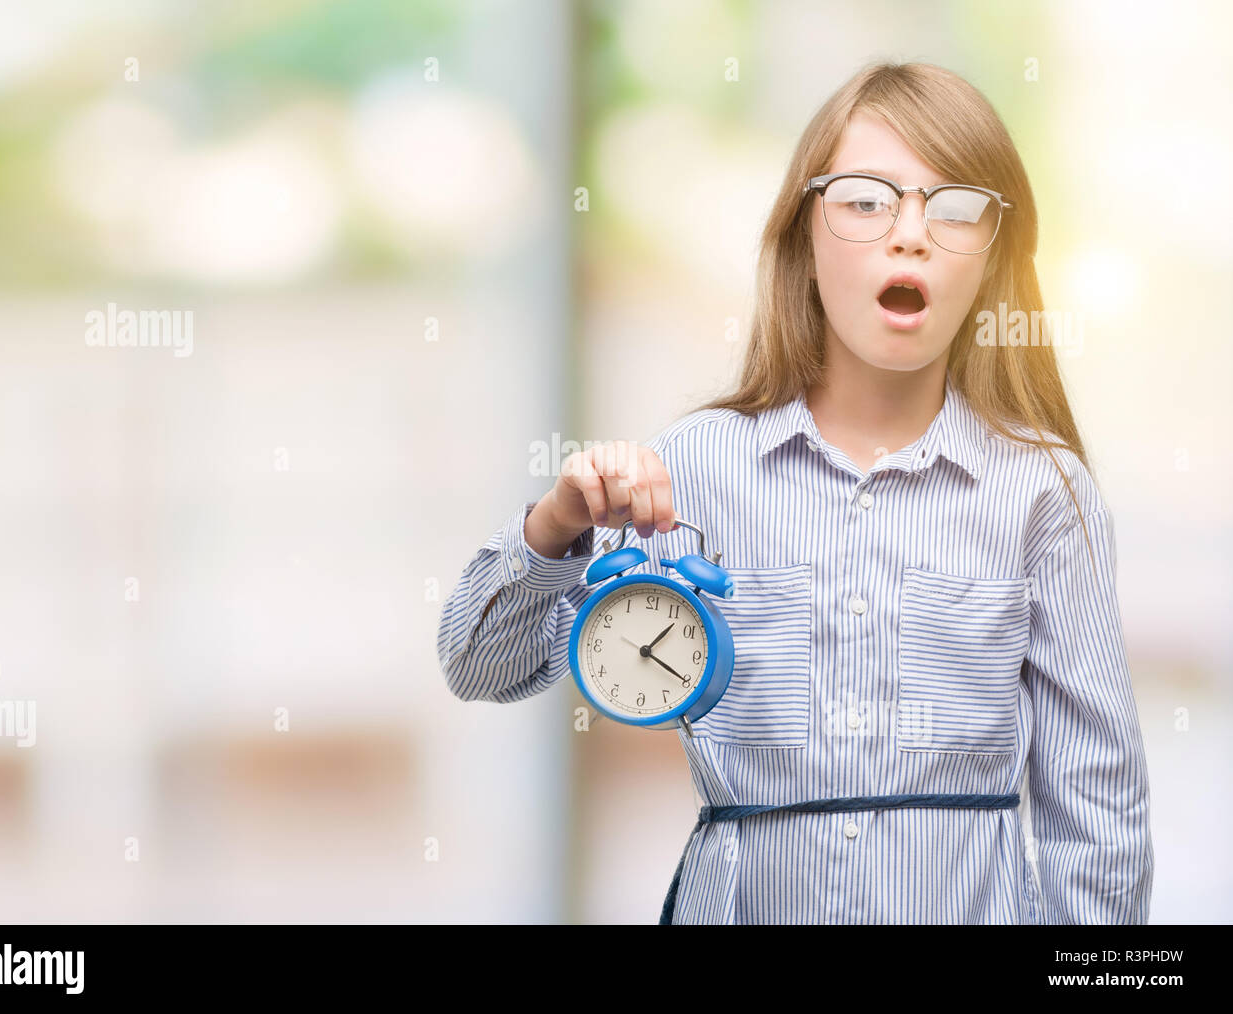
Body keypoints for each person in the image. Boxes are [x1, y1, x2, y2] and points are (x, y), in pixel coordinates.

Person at [436, 61, 1154, 924]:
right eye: (865, 199)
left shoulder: (1042, 492)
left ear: (995, 258)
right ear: (802, 235)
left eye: (955, 207)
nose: (912, 234)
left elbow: (1098, 801)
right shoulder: (692, 471)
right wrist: (558, 525)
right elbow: (480, 666)